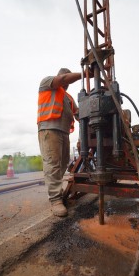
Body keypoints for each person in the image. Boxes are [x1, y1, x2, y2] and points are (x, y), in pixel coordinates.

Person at [37, 68, 84, 217]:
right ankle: (55, 201)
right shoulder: (47, 83)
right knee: (53, 164)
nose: (67, 83)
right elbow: (63, 80)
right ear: (61, 77)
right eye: (66, 79)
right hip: (49, 130)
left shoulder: (68, 98)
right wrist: (85, 74)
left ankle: (57, 194)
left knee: (63, 164)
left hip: (63, 133)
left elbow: (79, 115)